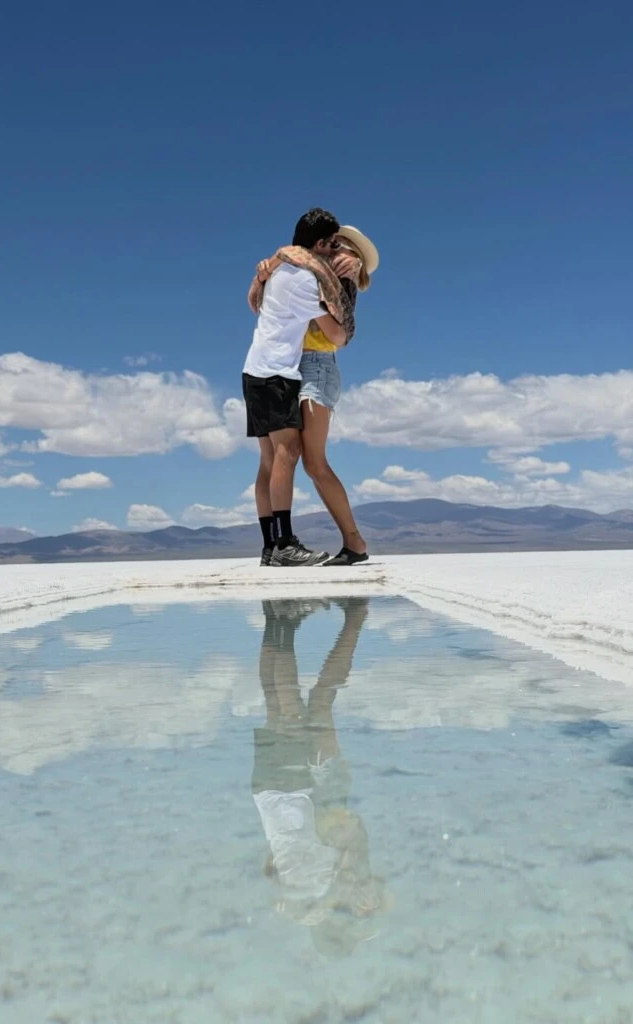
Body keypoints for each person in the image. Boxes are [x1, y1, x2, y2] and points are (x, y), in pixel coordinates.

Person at [251, 598, 391, 956]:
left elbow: (348, 833)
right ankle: (287, 622)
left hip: (313, 787)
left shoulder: (325, 896)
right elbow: (270, 865)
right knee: (291, 702)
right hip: (298, 790)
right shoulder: (311, 901)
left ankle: (346, 619)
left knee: (304, 700)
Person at [255, 225, 379, 566]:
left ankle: (354, 541)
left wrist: (354, 265)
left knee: (312, 460)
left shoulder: (345, 267)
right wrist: (270, 265)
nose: (335, 248)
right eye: (332, 242)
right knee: (276, 457)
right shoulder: (312, 268)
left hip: (315, 365)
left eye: (343, 245)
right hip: (289, 365)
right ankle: (276, 544)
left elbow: (344, 321)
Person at [242, 208, 347, 567]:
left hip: (254, 370)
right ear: (318, 244)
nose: (334, 250)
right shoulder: (303, 281)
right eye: (332, 244)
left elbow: (251, 297)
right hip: (276, 374)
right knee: (288, 452)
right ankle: (285, 543)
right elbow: (336, 334)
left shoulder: (277, 273)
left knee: (269, 460)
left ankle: (270, 546)